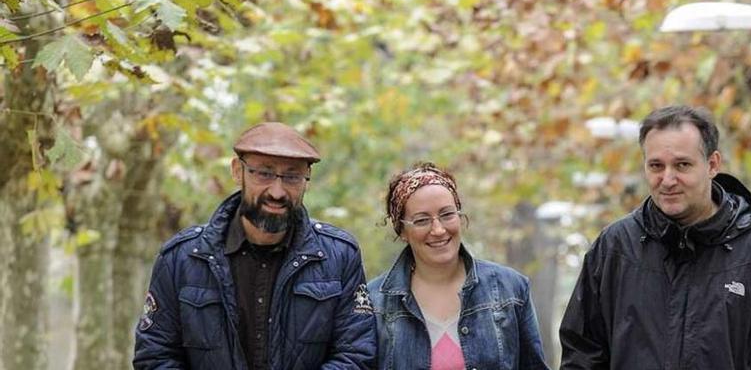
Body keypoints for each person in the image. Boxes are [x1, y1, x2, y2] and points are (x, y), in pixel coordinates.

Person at [559, 105, 751, 369]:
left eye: (682, 165)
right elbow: (581, 353)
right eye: (656, 166)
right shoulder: (615, 247)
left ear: (712, 164)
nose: (668, 179)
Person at [133, 122, 376, 369]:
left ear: (306, 181)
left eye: (292, 177)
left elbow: (356, 355)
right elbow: (155, 357)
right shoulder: (181, 258)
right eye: (264, 173)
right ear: (238, 171)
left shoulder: (340, 256)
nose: (277, 191)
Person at [368, 162, 550, 370]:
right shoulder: (375, 302)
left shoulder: (510, 287)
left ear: (460, 217)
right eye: (421, 220)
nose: (438, 229)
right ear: (402, 231)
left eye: (447, 215)